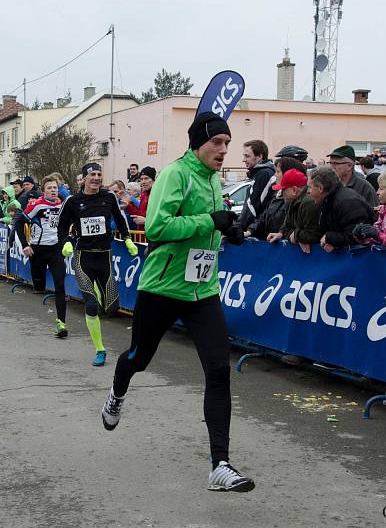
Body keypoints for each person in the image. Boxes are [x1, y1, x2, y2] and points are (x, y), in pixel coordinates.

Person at [101, 111, 254, 493]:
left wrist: (228, 232)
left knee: (219, 371)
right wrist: (209, 221)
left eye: (227, 144)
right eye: (216, 143)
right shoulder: (175, 174)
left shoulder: (215, 181)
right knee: (139, 358)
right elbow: (157, 228)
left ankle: (220, 465)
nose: (223, 150)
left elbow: (211, 226)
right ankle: (117, 393)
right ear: (198, 142)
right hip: (162, 288)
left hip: (202, 291)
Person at [57, 162, 138, 366]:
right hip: (83, 258)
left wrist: (127, 239)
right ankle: (100, 349)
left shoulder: (109, 197)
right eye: (92, 174)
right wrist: (66, 242)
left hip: (105, 257)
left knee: (111, 308)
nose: (96, 178)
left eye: (99, 174)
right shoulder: (72, 201)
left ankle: (101, 295)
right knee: (91, 305)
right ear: (84, 178)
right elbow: (62, 226)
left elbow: (120, 220)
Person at [15, 174, 69, 338]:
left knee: (60, 285)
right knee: (39, 286)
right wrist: (24, 245)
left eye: (55, 188)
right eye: (49, 188)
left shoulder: (63, 205)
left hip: (55, 250)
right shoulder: (37, 205)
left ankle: (61, 324)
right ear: (43, 191)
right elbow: (18, 222)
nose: (53, 190)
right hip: (38, 250)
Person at [308, 166, 377, 252]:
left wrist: (330, 238)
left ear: (320, 188)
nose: (308, 191)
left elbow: (357, 235)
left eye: (310, 187)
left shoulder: (347, 202)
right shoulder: (327, 200)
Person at [267, 168, 322, 254]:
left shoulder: (308, 203)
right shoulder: (293, 201)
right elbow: (286, 227)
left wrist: (296, 236)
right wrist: (281, 234)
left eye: (284, 190)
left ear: (294, 190)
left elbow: (312, 234)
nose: (281, 193)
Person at [239, 139, 276, 231]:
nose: (244, 160)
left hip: (258, 232)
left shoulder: (263, 174)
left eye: (247, 156)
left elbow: (251, 207)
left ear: (259, 156)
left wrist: (237, 229)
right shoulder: (265, 172)